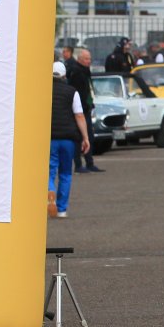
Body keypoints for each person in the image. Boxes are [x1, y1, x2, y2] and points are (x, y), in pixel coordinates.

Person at [48, 61, 90, 219]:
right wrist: (85, 137)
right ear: (65, 75)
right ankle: (61, 209)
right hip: (68, 138)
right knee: (65, 173)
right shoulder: (72, 92)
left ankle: (50, 192)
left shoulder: (43, 90)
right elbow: (79, 115)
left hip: (49, 138)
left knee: (49, 172)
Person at [66, 47, 103, 173]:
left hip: (86, 108)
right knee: (79, 137)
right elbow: (77, 92)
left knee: (89, 137)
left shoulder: (85, 71)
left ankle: (89, 162)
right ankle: (78, 164)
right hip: (79, 109)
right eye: (86, 59)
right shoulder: (76, 72)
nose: (89, 61)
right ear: (80, 59)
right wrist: (83, 106)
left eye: (90, 59)